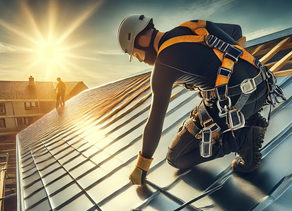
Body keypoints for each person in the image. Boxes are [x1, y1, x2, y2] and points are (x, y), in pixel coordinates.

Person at [118, 14, 285, 186]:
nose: (140, 60)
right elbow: (236, 31)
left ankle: (241, 139)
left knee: (175, 157)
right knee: (207, 101)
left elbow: (155, 120)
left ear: (142, 40)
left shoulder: (163, 64)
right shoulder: (196, 27)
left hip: (236, 106)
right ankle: (249, 120)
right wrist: (226, 72)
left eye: (136, 54)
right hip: (262, 87)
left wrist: (142, 165)